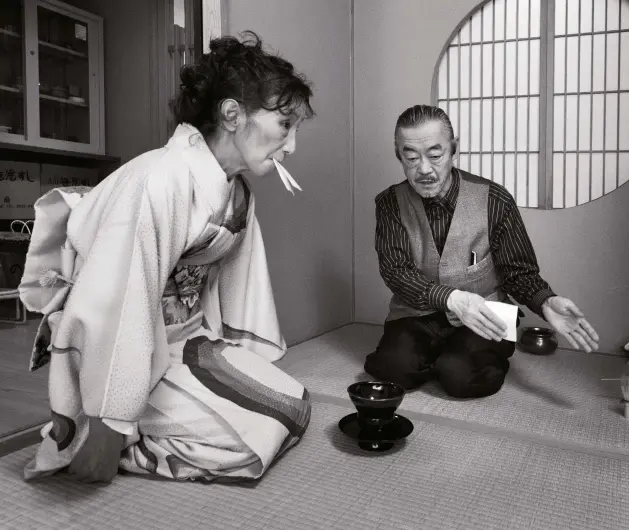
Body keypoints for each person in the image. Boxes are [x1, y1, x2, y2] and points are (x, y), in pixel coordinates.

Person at [18, 31, 314, 484]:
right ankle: (103, 438)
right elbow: (119, 302)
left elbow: (238, 287)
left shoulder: (236, 192)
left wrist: (241, 359)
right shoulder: (158, 179)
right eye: (284, 126)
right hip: (122, 349)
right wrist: (110, 421)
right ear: (232, 114)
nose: (291, 145)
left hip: (180, 341)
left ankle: (158, 416)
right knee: (256, 435)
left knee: (291, 402)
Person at [364, 104, 599, 399]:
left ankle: (458, 358)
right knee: (392, 370)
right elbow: (396, 272)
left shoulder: (494, 199)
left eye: (435, 156)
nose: (423, 169)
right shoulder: (390, 203)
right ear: (399, 155)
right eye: (411, 158)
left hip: (487, 313)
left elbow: (518, 272)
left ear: (453, 149)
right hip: (419, 314)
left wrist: (545, 301)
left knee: (460, 379)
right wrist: (451, 299)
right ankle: (440, 354)